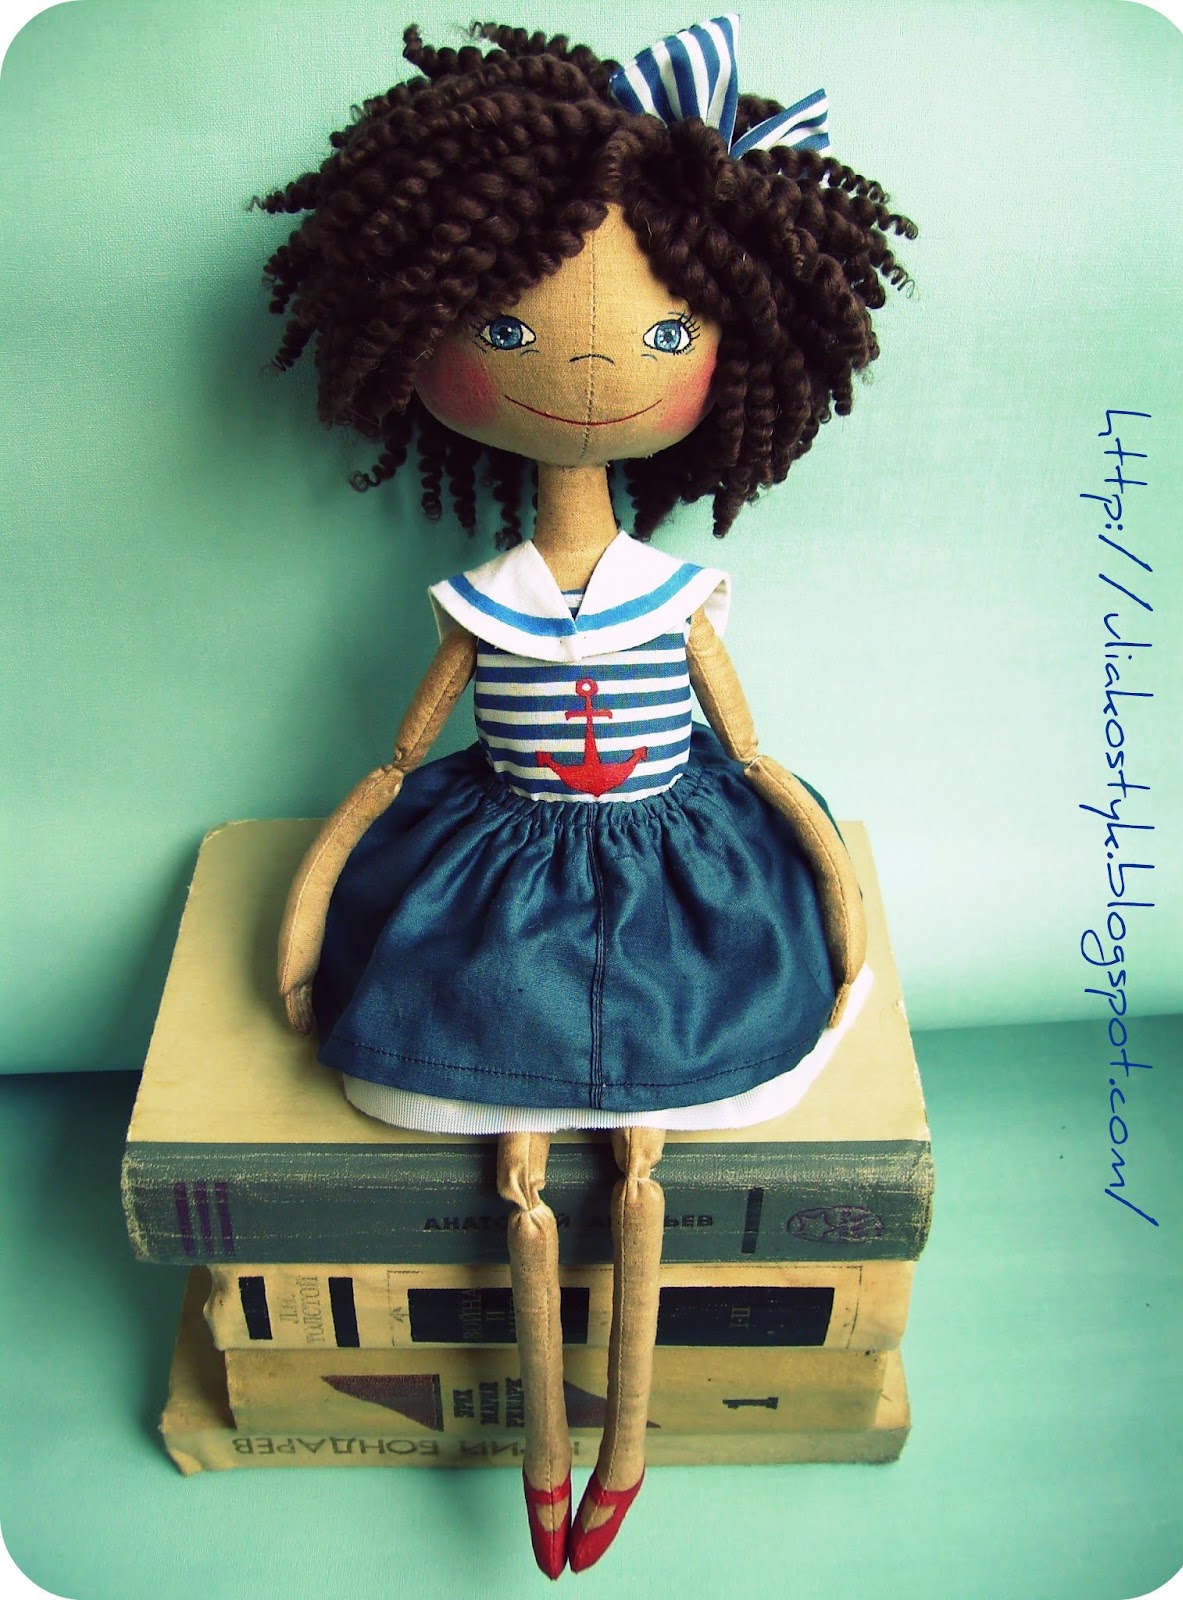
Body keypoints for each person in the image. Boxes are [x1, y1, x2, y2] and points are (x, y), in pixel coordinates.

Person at [255, 16, 915, 1576]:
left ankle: (624, 1452)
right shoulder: (475, 605)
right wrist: (315, 904)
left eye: (671, 332)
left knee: (636, 1161)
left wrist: (826, 887)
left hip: (674, 855)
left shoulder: (683, 599)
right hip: (507, 854)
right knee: (523, 1167)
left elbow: (751, 754)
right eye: (508, 325)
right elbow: (397, 761)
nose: (601, 362)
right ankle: (546, 1449)